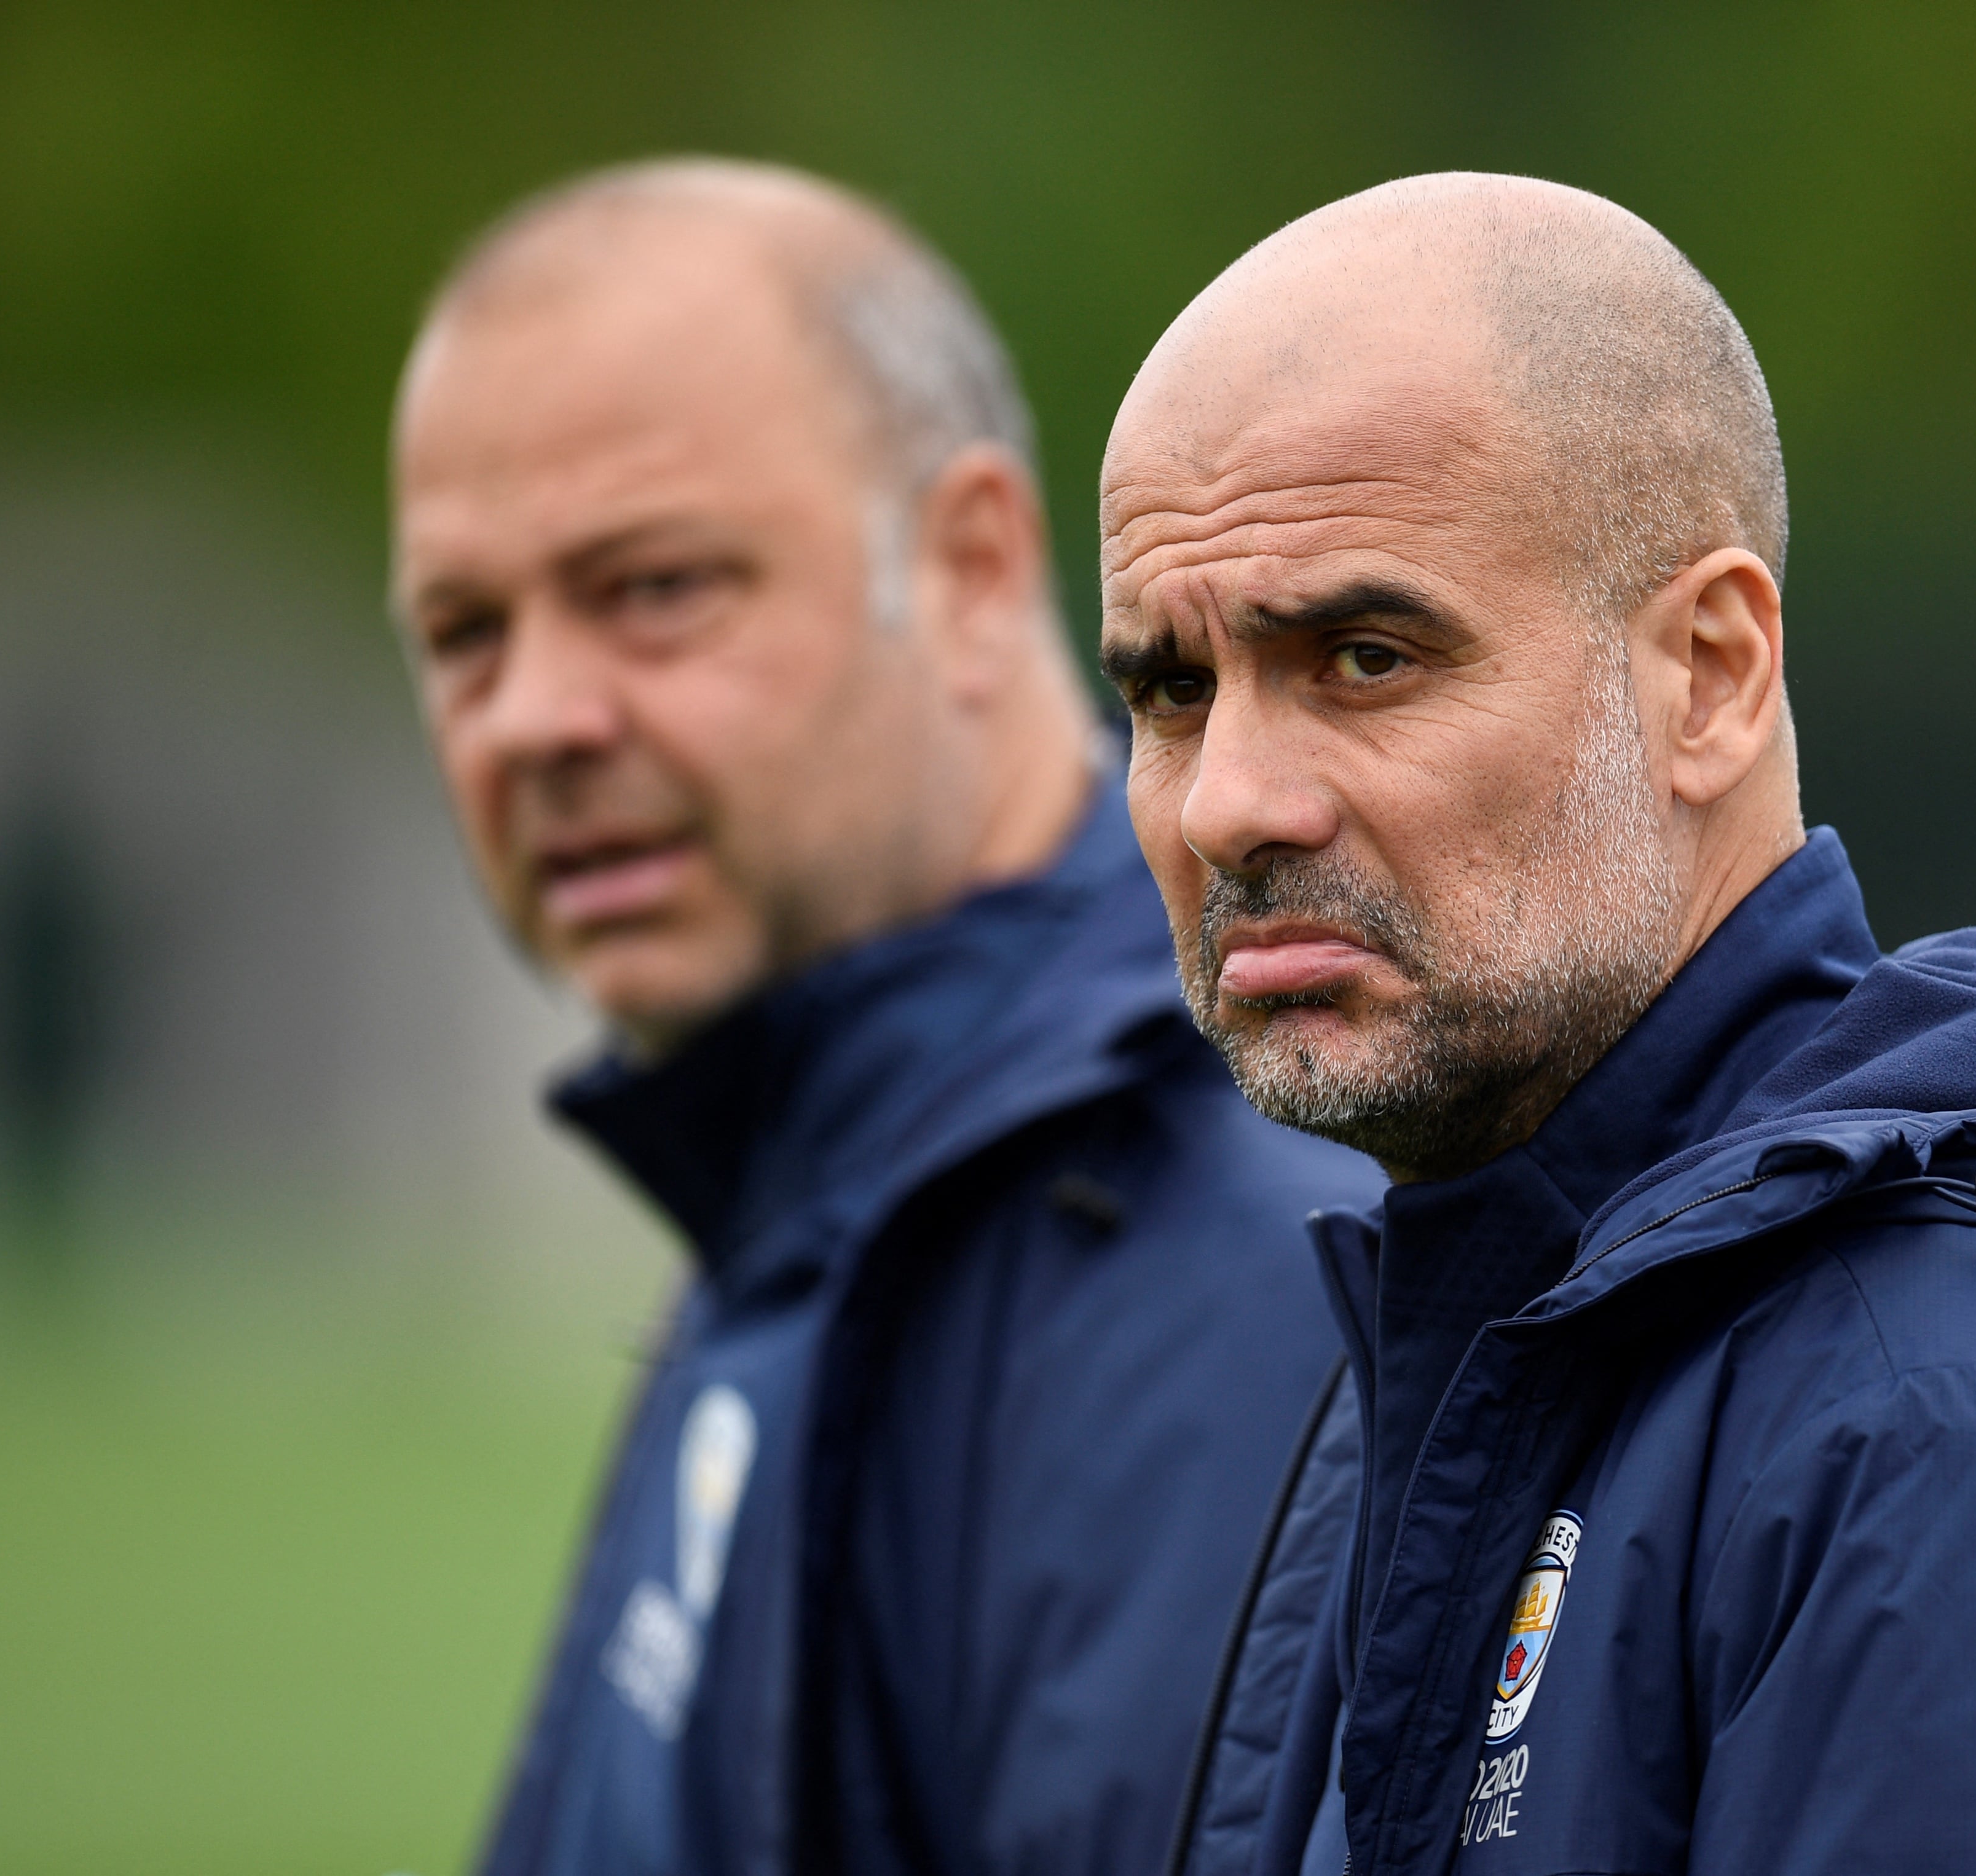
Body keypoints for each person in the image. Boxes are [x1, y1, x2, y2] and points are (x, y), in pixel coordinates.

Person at [1099, 173, 1976, 1876]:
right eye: (1171, 690)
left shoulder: (1962, 1451)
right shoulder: (1488, 1355)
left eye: (1365, 656)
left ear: (1707, 672)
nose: (1227, 804)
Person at [390, 159, 1371, 1876]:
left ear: (973, 566)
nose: (536, 714)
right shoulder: (805, 1184)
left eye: (654, 589)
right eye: (465, 632)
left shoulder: (1266, 1256)